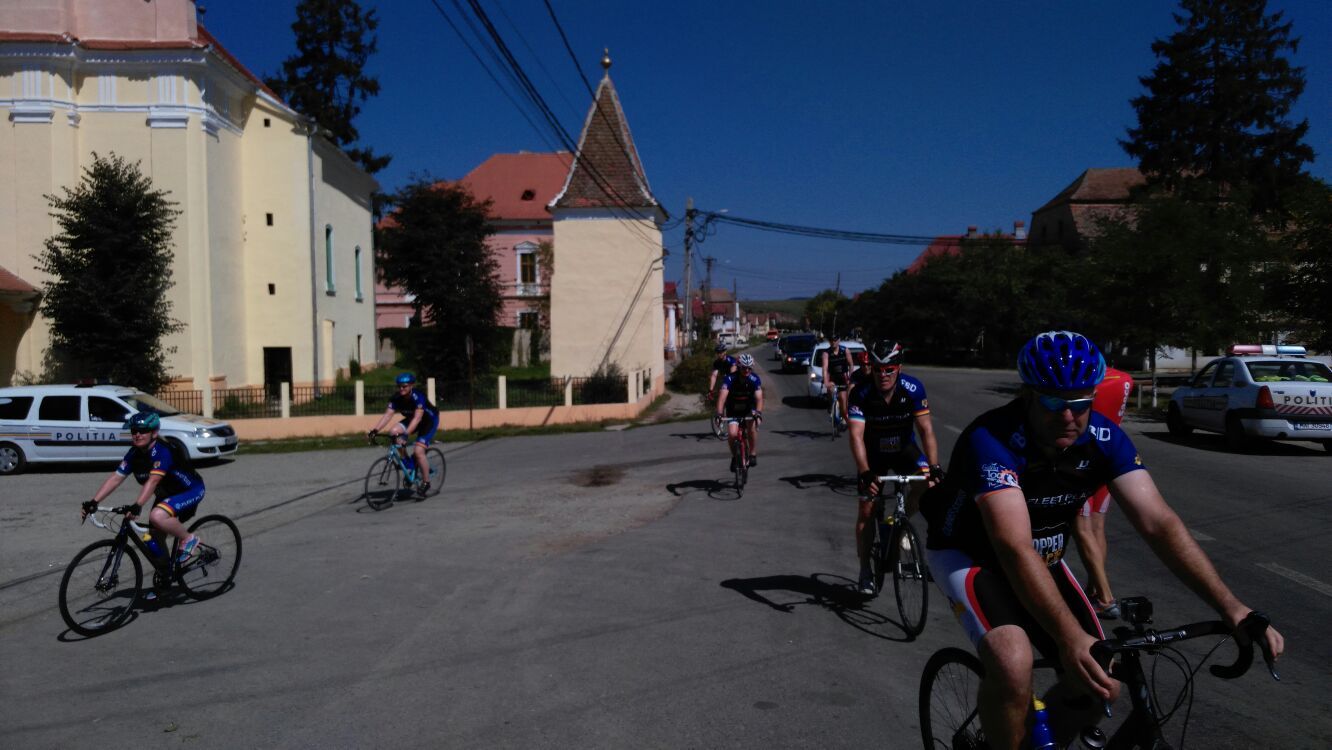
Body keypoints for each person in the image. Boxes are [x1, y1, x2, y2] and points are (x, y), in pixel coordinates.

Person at [922, 331, 1283, 750]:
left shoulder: (1104, 438)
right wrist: (1068, 638)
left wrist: (1231, 606)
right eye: (1054, 402)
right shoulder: (990, 439)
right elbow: (1013, 547)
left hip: (1042, 560)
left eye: (1081, 402)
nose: (1068, 416)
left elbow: (1159, 523)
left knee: (1100, 682)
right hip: (971, 556)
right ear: (1027, 395)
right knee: (1013, 662)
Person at [847, 339, 941, 595]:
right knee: (867, 510)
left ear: (899, 367)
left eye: (889, 369)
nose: (883, 375)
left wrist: (934, 466)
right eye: (878, 369)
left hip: (904, 451)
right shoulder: (860, 393)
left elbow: (926, 430)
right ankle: (865, 571)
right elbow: (856, 436)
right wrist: (865, 472)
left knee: (929, 483)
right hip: (873, 455)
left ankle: (898, 523)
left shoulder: (913, 388)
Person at [82, 411, 206, 567]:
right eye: (134, 431)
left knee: (157, 516)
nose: (137, 435)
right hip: (166, 494)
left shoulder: (163, 451)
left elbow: (153, 480)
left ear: (154, 433)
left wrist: (138, 505)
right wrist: (94, 501)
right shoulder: (134, 453)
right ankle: (166, 576)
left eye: (142, 431)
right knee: (154, 539)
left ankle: (188, 539)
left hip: (190, 490)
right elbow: (116, 478)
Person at [1072, 366, 1134, 619]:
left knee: (1082, 528)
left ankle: (1106, 598)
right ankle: (1093, 590)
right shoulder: (1125, 379)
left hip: (1082, 459)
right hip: (1107, 457)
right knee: (1097, 527)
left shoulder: (1083, 380)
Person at [368, 373, 440, 494]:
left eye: (404, 386)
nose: (401, 389)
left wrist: (406, 434)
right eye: (399, 386)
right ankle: (409, 463)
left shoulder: (418, 397)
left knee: (418, 451)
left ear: (411, 385)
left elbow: (417, 418)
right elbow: (388, 415)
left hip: (428, 421)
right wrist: (375, 430)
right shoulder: (396, 398)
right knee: (393, 432)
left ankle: (426, 482)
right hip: (412, 419)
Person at [715, 353, 764, 470]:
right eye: (744, 368)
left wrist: (758, 413)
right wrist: (719, 414)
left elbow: (759, 398)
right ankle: (734, 457)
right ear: (738, 367)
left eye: (749, 368)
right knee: (732, 434)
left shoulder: (754, 379)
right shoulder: (729, 378)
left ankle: (752, 453)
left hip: (749, 408)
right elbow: (722, 398)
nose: (747, 370)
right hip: (733, 409)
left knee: (751, 428)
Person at [820, 334, 855, 431]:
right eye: (831, 340)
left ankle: (844, 419)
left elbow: (851, 365)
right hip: (833, 377)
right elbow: (825, 369)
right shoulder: (826, 353)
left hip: (843, 378)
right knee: (831, 392)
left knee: (843, 402)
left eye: (835, 340)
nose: (833, 342)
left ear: (839, 340)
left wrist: (850, 378)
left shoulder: (845, 350)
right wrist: (826, 382)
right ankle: (831, 406)